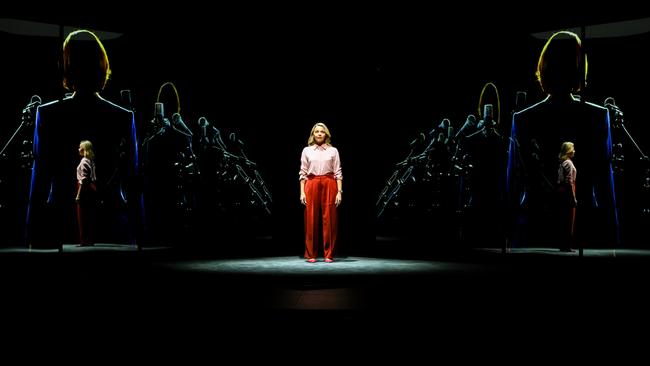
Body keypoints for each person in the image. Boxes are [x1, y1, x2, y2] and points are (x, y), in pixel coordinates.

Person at [26, 29, 140, 249]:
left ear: (66, 64)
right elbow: (133, 181)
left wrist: (32, 232)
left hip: (60, 226)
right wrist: (140, 232)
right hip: (114, 225)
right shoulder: (124, 117)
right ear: (102, 64)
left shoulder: (48, 114)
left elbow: (39, 179)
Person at [507, 31, 618, 250]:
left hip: (534, 223)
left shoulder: (523, 119)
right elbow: (605, 181)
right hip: (585, 226)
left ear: (544, 66)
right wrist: (612, 234)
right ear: (579, 67)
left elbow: (514, 182)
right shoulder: (597, 116)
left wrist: (508, 231)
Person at [299, 122, 343, 263]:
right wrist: (302, 192)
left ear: (326, 134)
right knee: (310, 218)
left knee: (329, 218)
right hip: (311, 183)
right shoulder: (306, 150)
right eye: (316, 131)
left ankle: (328, 254)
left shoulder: (333, 151)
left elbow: (338, 172)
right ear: (313, 134)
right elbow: (303, 173)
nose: (319, 134)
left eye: (322, 131)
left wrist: (339, 192)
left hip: (329, 182)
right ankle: (311, 254)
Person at [75, 140, 98, 246]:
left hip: (84, 189)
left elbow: (84, 180)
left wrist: (78, 195)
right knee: (89, 215)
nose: (78, 149)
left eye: (80, 147)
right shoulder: (90, 160)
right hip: (91, 189)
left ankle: (84, 240)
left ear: (84, 149)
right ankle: (89, 239)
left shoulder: (84, 161)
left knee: (82, 216)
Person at [556, 142, 577, 252]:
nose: (574, 151)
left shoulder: (563, 162)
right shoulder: (568, 163)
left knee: (564, 219)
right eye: (572, 149)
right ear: (569, 150)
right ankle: (566, 245)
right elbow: (569, 181)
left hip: (563, 191)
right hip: (568, 191)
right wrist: (573, 197)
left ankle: (564, 245)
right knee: (569, 219)